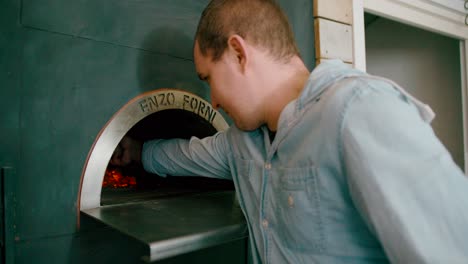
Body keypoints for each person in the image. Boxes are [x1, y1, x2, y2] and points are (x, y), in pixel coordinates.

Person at [111, 0, 468, 263]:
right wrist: (137, 152)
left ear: (238, 53)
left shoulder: (360, 110)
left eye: (209, 79)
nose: (214, 101)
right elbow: (184, 154)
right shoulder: (241, 143)